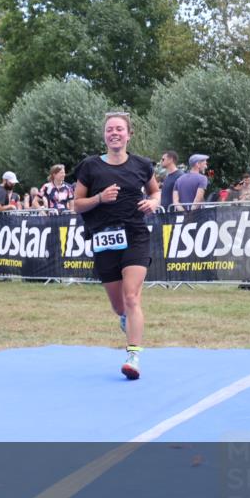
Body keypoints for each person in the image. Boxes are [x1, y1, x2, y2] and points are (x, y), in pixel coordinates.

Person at [74, 112, 160, 380]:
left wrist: (154, 203)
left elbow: (155, 191)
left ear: (128, 134)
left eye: (119, 129)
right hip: (103, 239)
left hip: (135, 235)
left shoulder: (142, 165)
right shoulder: (90, 166)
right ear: (104, 135)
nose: (114, 133)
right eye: (110, 129)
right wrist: (99, 198)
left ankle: (133, 356)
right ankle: (126, 320)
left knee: (132, 296)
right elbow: (76, 204)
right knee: (119, 306)